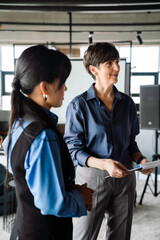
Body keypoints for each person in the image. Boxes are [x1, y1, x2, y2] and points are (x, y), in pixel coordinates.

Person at [2, 45, 94, 240]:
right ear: (45, 87)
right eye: (62, 82)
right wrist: (80, 197)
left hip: (22, 231)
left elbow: (21, 171)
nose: (66, 88)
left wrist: (60, 186)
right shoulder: (44, 135)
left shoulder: (19, 123)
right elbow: (51, 203)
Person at [64, 42, 153, 240]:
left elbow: (131, 143)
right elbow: (74, 150)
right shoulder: (79, 105)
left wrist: (141, 160)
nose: (117, 68)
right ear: (93, 69)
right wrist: (104, 164)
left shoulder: (128, 103)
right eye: (109, 63)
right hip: (92, 178)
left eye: (117, 62)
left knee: (120, 236)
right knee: (84, 235)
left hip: (126, 176)